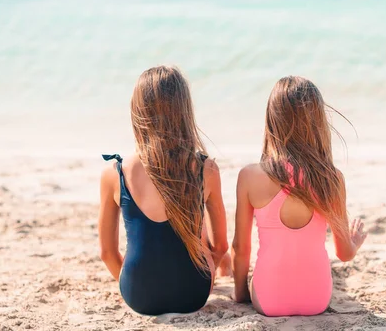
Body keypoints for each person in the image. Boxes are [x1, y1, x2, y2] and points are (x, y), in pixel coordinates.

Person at [231, 76, 368, 317]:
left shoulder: (250, 176)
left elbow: (241, 248)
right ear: (318, 122)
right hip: (317, 300)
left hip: (268, 301)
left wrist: (241, 293)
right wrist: (354, 242)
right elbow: (344, 254)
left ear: (272, 120)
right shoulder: (331, 178)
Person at [99, 66, 229, 315]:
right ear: (184, 110)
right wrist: (210, 269)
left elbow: (107, 252)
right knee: (197, 232)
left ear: (137, 112)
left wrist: (133, 285)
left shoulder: (115, 174)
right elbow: (221, 245)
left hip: (138, 296)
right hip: (193, 294)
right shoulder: (206, 169)